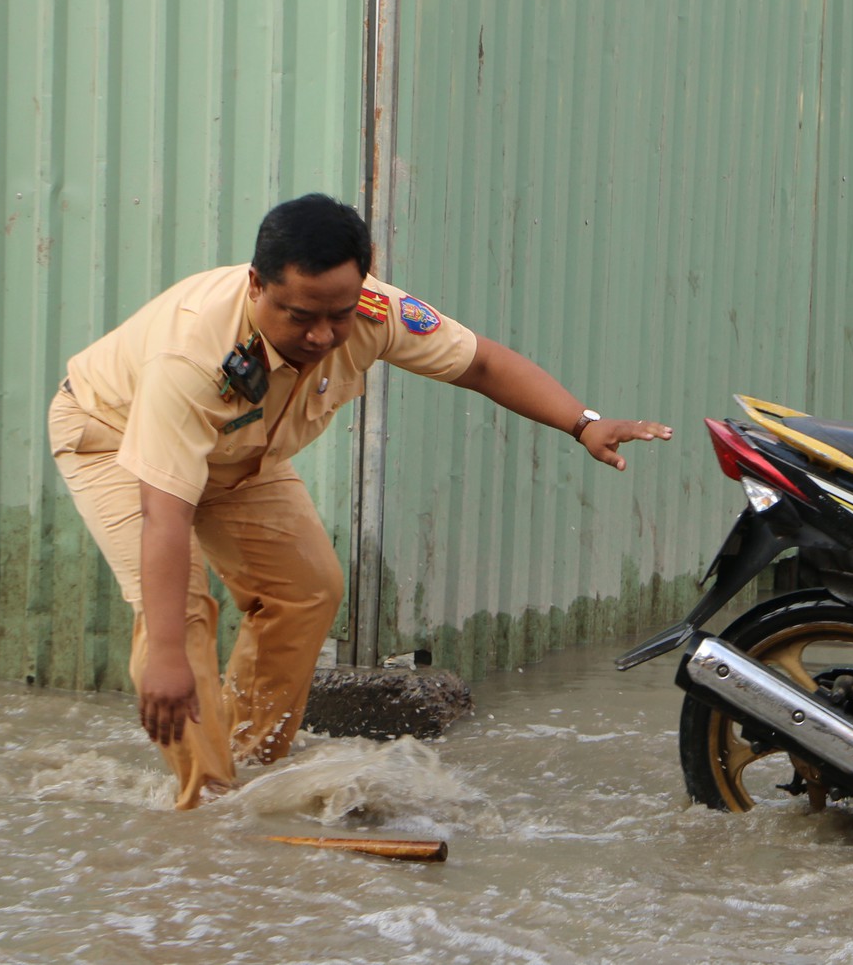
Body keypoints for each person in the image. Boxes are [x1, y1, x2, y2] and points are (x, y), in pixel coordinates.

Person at [47, 194, 671, 809]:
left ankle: (253, 771)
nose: (321, 335)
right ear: (256, 286)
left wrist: (582, 422)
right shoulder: (191, 355)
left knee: (309, 588)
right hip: (114, 438)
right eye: (298, 316)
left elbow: (480, 364)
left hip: (239, 453)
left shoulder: (374, 310)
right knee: (176, 618)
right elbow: (166, 515)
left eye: (337, 315)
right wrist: (162, 658)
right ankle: (207, 808)